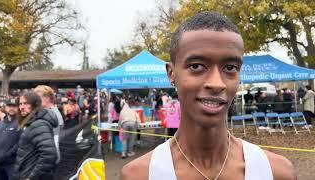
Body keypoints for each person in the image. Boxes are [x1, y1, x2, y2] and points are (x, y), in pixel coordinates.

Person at [120, 11, 296, 180]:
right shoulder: (140, 175)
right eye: (196, 66)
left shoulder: (276, 173)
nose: (217, 83)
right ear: (171, 73)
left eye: (230, 68)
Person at [15, 92, 58, 180]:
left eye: (26, 103)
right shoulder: (32, 122)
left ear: (35, 105)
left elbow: (49, 154)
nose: (22, 107)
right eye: (20, 104)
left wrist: (31, 177)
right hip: (26, 171)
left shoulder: (39, 124)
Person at [34, 85, 64, 164]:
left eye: (37, 97)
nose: (35, 100)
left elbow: (54, 141)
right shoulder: (46, 113)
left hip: (47, 159)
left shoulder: (53, 115)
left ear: (47, 98)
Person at [0, 98, 20, 180]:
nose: (12, 108)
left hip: (12, 165)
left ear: (18, 108)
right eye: (9, 106)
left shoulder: (21, 123)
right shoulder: (0, 124)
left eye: (14, 106)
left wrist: (6, 156)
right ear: (5, 107)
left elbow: (20, 144)